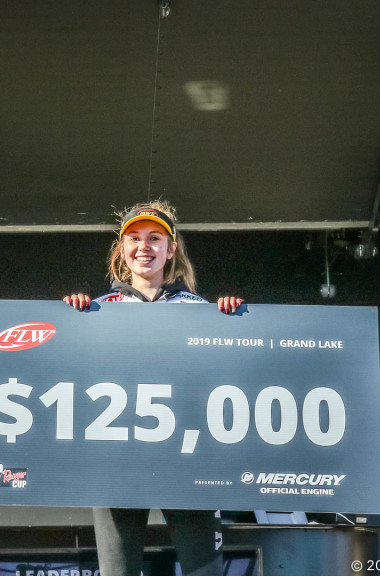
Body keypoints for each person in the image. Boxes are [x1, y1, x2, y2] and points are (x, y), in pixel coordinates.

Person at [63, 200, 241, 576]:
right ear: (121, 250)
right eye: (135, 238)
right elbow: (69, 372)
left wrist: (232, 321)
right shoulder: (96, 309)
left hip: (188, 457)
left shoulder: (199, 309)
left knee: (204, 571)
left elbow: (225, 372)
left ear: (171, 249)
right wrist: (69, 319)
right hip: (117, 458)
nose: (144, 246)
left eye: (155, 238)